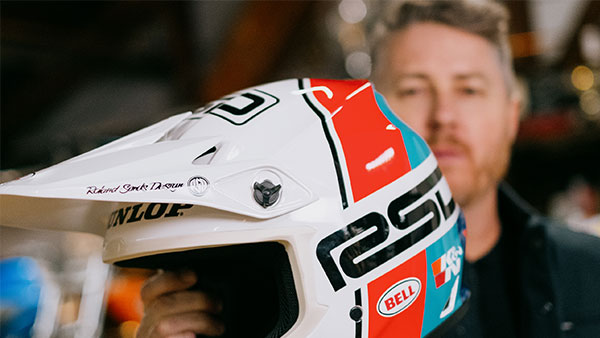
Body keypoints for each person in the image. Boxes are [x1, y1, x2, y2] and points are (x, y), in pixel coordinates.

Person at [138, 1, 600, 337]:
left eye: (470, 90)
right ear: (371, 115)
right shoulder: (271, 292)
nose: (443, 116)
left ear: (512, 113)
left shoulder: (591, 271)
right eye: (414, 89)